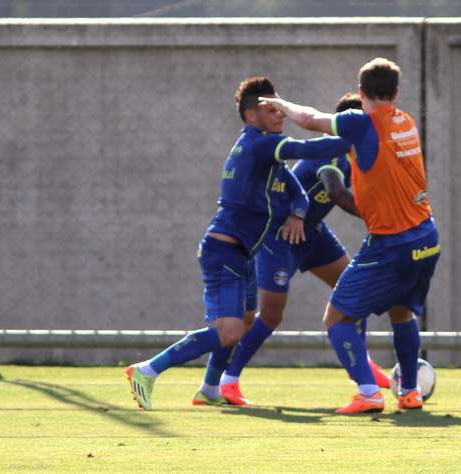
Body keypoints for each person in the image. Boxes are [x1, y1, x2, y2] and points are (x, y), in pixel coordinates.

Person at [124, 76, 350, 410]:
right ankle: (147, 370)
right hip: (224, 251)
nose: (280, 114)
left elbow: (298, 192)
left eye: (280, 107)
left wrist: (298, 215)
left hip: (243, 254)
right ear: (250, 115)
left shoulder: (265, 155)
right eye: (271, 109)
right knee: (228, 332)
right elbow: (307, 149)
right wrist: (353, 136)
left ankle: (211, 389)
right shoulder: (260, 144)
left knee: (244, 322)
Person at [261, 57, 440, 414]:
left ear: (361, 93)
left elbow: (310, 120)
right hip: (427, 239)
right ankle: (409, 392)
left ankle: (368, 392)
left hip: (391, 243)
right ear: (397, 92)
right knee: (402, 313)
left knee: (337, 318)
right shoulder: (405, 121)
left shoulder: (361, 123)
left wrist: (281, 104)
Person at [218, 93, 391, 406]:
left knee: (354, 293)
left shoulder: (352, 153)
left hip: (312, 233)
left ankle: (361, 366)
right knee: (271, 316)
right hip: (281, 236)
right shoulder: (330, 154)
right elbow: (336, 192)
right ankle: (228, 380)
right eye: (365, 122)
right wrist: (378, 218)